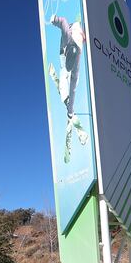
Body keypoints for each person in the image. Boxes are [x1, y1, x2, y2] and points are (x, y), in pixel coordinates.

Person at [47, 14, 89, 163]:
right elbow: (63, 21)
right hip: (65, 52)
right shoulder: (67, 36)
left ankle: (69, 106)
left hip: (73, 48)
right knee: (64, 85)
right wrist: (54, 19)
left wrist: (70, 109)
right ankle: (67, 103)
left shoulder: (77, 61)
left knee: (68, 89)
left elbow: (74, 87)